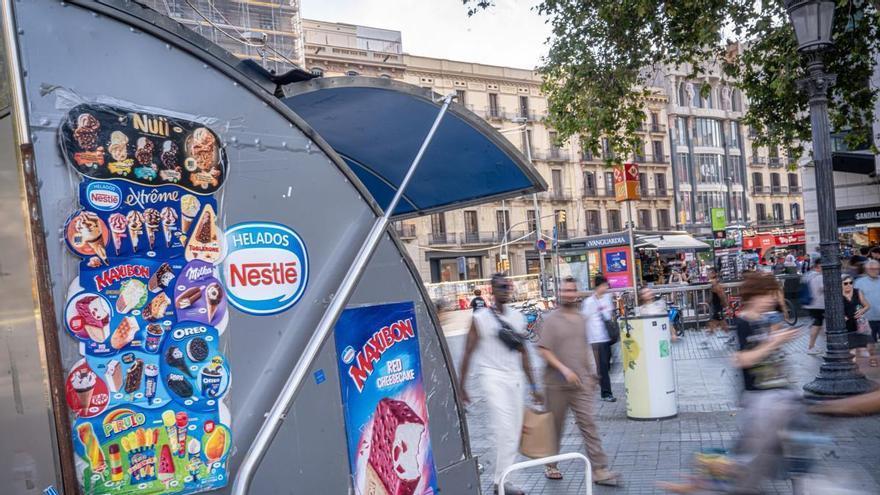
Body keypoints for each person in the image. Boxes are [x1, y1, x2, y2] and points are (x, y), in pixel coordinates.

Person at [660, 272, 804, 494]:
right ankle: (702, 478)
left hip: (778, 400)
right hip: (761, 403)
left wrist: (777, 337)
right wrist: (774, 343)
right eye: (768, 295)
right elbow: (742, 359)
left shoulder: (768, 319)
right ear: (754, 296)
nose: (772, 300)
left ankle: (700, 480)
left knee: (774, 458)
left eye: (773, 295)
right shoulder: (744, 322)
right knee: (749, 462)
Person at [459, 274, 542, 495]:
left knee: (514, 431)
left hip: (515, 378)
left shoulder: (517, 317)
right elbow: (467, 351)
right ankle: (501, 481)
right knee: (505, 429)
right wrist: (461, 385)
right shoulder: (480, 318)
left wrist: (534, 387)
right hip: (492, 376)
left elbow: (524, 353)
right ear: (492, 290)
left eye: (508, 286)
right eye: (501, 286)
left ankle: (502, 481)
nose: (506, 289)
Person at [538, 277, 621, 485]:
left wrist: (592, 374)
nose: (568, 294)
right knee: (555, 426)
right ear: (560, 293)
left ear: (576, 293)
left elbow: (587, 347)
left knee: (588, 424)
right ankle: (551, 464)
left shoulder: (582, 318)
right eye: (565, 290)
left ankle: (599, 469)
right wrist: (564, 370)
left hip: (580, 382)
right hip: (556, 384)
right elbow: (543, 350)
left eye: (572, 290)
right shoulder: (551, 320)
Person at [582, 275, 616, 402]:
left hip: (607, 337)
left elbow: (609, 315)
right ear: (598, 286)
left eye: (606, 285)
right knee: (602, 366)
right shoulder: (589, 302)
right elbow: (584, 319)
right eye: (604, 285)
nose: (606, 287)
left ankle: (598, 381)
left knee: (606, 365)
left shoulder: (607, 298)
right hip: (596, 338)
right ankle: (606, 393)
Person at [855, 259, 880, 367]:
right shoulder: (859, 283)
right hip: (868, 318)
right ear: (866, 269)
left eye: (877, 268)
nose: (875, 271)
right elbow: (856, 301)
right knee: (871, 342)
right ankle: (872, 359)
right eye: (872, 269)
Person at [842, 274, 871, 363]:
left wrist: (861, 311)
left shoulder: (857, 292)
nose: (849, 285)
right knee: (851, 348)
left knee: (854, 348)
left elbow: (867, 306)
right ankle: (852, 365)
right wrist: (841, 316)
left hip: (859, 323)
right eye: (845, 283)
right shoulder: (837, 295)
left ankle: (853, 365)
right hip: (846, 324)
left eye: (851, 283)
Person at [803, 258, 825, 355]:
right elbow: (823, 289)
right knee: (817, 324)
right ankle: (811, 347)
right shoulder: (819, 277)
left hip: (809, 303)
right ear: (819, 266)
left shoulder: (808, 275)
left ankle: (813, 346)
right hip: (818, 304)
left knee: (818, 324)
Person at [702, 268, 728, 348]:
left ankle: (706, 340)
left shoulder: (716, 284)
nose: (707, 275)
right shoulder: (713, 284)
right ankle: (730, 337)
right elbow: (714, 296)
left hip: (718, 307)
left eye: (709, 273)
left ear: (713, 274)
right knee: (722, 324)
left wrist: (725, 304)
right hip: (717, 307)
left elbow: (721, 295)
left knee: (714, 324)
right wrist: (708, 301)